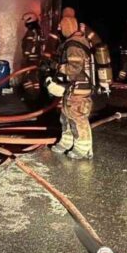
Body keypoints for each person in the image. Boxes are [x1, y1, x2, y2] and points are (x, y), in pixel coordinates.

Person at [46, 15, 95, 160]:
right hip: (74, 86)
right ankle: (66, 142)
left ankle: (83, 148)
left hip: (79, 88)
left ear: (68, 26)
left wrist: (55, 66)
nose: (59, 29)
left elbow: (73, 68)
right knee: (65, 115)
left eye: (61, 26)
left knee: (77, 117)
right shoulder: (77, 41)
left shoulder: (74, 45)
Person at [20, 12, 44, 94]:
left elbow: (29, 45)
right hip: (37, 59)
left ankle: (31, 95)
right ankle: (36, 95)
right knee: (34, 77)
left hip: (30, 59)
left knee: (26, 78)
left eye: (25, 21)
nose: (25, 23)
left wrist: (25, 57)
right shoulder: (39, 31)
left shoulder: (31, 32)